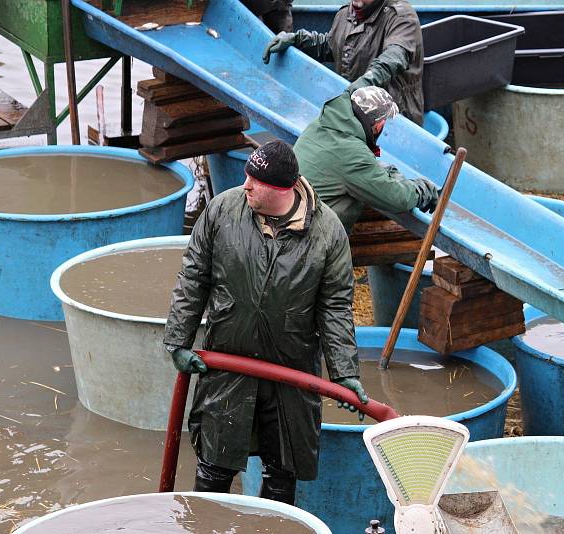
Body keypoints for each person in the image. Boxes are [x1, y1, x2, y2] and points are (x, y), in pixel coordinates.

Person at [163, 140, 368, 503]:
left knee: (281, 476)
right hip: (228, 364)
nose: (246, 185)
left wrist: (344, 372)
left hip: (291, 371)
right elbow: (194, 276)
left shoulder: (328, 232)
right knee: (213, 471)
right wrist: (178, 341)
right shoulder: (223, 210)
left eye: (255, 181)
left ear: (281, 188)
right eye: (246, 175)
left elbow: (336, 306)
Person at [293, 84, 439, 234]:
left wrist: (388, 171)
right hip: (310, 238)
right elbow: (398, 198)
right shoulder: (353, 154)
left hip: (290, 219)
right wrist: (423, 189)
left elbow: (356, 167)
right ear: (379, 125)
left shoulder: (322, 124)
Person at [262, 0, 425, 125]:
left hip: (392, 117)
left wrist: (365, 83)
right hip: (352, 113)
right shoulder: (345, 14)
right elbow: (332, 46)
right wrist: (297, 39)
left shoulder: (402, 17)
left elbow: (394, 58)